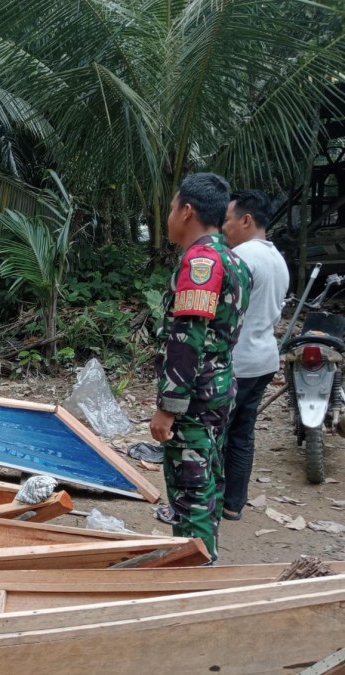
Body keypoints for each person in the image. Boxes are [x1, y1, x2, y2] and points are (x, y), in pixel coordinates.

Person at [150, 172, 251, 562]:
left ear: (187, 211)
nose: (169, 215)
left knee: (190, 496)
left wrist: (167, 408)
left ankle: (194, 580)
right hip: (219, 391)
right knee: (207, 488)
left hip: (194, 400)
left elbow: (187, 339)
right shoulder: (232, 259)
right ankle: (204, 563)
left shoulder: (202, 262)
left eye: (173, 207)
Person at [220, 189, 289, 521]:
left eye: (229, 220)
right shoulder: (276, 257)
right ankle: (233, 502)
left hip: (238, 362)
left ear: (246, 220)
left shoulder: (241, 257)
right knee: (242, 434)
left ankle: (204, 505)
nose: (224, 227)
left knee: (213, 436)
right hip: (264, 360)